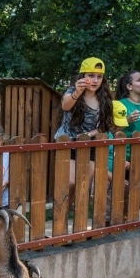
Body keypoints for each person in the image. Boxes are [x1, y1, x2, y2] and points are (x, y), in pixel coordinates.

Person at [56, 57, 115, 203]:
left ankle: (79, 220)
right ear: (83, 76)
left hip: (89, 143)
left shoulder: (105, 98)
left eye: (99, 76)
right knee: (70, 183)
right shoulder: (73, 90)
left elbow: (103, 126)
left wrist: (88, 135)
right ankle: (64, 212)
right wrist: (77, 92)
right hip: (67, 141)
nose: (95, 80)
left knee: (84, 187)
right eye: (91, 76)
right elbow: (65, 106)